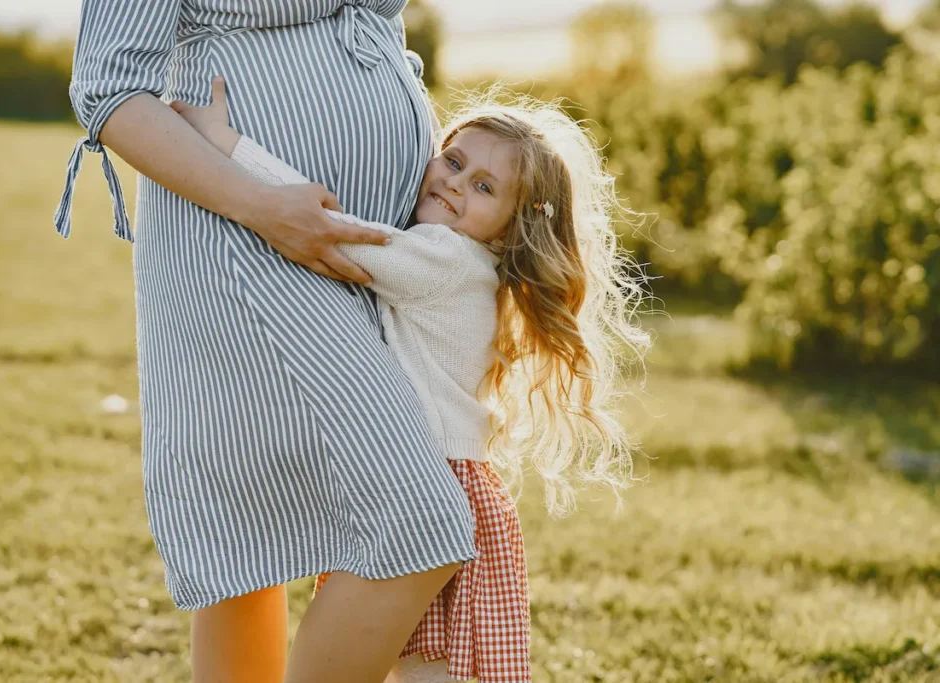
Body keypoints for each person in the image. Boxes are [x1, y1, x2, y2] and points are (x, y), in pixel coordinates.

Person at [171, 77, 653, 682]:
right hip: (440, 477)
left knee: (430, 673)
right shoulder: (467, 264)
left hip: (429, 480)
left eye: (484, 187)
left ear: (508, 229)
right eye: (453, 160)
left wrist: (226, 144)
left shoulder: (444, 260)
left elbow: (330, 227)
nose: (455, 182)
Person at [53, 2, 481, 682]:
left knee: (252, 532)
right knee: (415, 521)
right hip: (244, 231)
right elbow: (110, 87)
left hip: (356, 244)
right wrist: (263, 207)